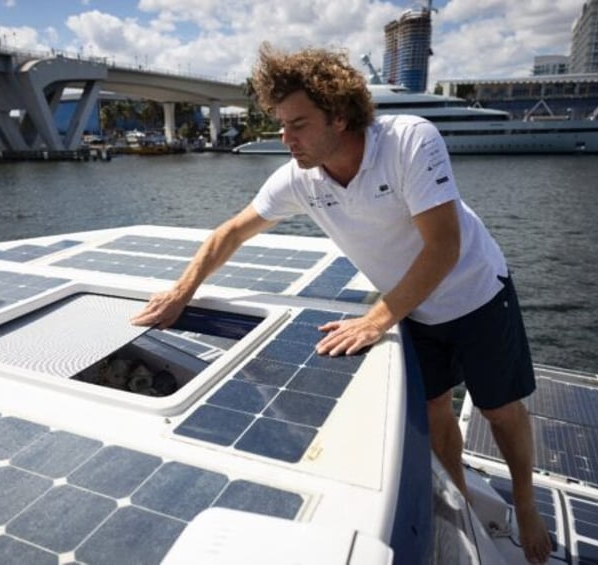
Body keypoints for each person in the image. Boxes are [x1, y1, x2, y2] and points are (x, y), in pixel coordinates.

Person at [131, 43, 552, 564]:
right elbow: (232, 232)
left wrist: (376, 319)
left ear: (339, 114)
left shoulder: (408, 142)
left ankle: (528, 504)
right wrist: (181, 291)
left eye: (298, 125)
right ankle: (463, 498)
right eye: (281, 125)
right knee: (434, 408)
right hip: (412, 307)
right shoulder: (301, 179)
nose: (286, 139)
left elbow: (444, 247)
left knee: (499, 408)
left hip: (476, 293)